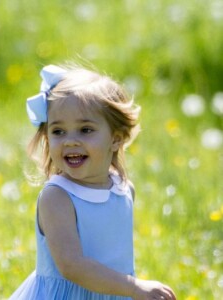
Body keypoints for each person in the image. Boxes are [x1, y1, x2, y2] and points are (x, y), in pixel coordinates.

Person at [10, 64, 176, 300]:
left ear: (116, 139)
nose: (70, 141)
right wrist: (133, 287)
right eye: (58, 132)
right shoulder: (57, 197)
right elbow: (71, 266)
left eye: (85, 129)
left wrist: (130, 288)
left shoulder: (123, 190)